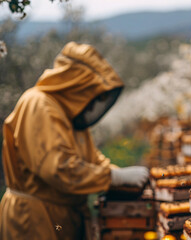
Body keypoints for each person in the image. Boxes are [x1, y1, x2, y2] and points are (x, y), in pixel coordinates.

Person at [0, 42, 149, 240]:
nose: (93, 104)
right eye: (93, 95)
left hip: (65, 218)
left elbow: (91, 159)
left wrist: (117, 174)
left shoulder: (71, 116)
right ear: (79, 86)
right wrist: (112, 177)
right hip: (35, 220)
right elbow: (58, 168)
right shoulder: (39, 104)